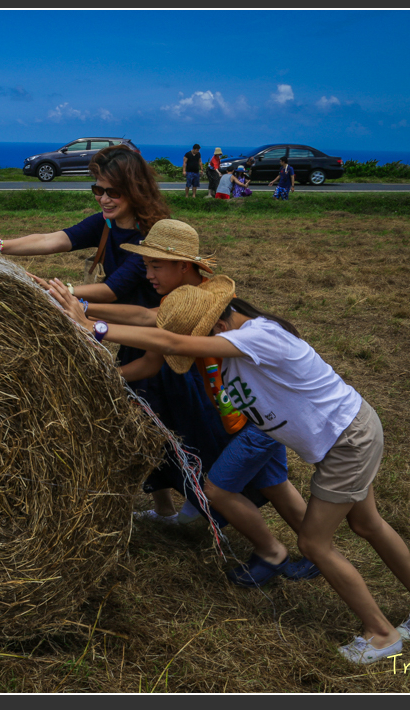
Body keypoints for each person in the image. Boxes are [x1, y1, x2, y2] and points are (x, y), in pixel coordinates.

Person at [60, 274, 410, 665]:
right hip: (344, 437)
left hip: (347, 441)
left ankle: (381, 634)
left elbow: (174, 342)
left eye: (205, 337)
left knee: (314, 543)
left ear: (219, 324)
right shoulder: (234, 350)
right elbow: (157, 328)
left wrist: (94, 327)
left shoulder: (261, 336)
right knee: (366, 524)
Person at [49, 224, 319, 586]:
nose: (148, 275)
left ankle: (274, 552)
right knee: (274, 482)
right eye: (145, 266)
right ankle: (320, 553)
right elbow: (149, 322)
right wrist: (82, 308)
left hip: (256, 414)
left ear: (183, 266)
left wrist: (90, 323)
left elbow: (155, 330)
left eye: (156, 266)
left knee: (220, 488)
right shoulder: (184, 297)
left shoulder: (199, 304)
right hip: (260, 415)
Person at [0, 144, 178, 517]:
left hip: (151, 326)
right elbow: (54, 239)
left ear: (134, 189)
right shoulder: (107, 224)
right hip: (124, 327)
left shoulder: (148, 235)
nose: (103, 198)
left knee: (157, 413)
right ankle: (166, 508)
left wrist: (58, 291)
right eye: (97, 189)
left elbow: (112, 289)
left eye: (112, 192)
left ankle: (194, 501)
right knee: (145, 412)